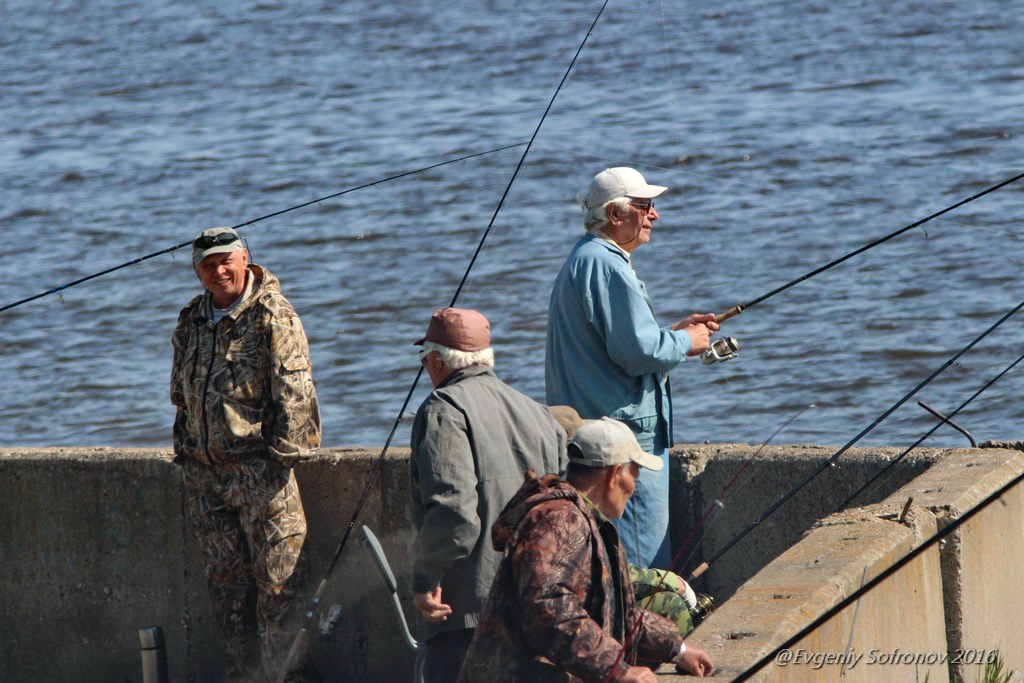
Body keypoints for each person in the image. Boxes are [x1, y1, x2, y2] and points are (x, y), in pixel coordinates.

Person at [545, 166, 718, 569]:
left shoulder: (584, 258)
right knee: (644, 566)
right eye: (645, 206)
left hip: (595, 433)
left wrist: (672, 333)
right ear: (615, 214)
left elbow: (620, 343)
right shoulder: (606, 264)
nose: (654, 215)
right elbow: (637, 351)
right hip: (625, 439)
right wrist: (685, 342)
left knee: (609, 562)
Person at [170, 227, 321, 683]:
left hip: (262, 477)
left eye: (225, 261)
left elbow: (296, 393)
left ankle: (287, 679)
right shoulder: (191, 319)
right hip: (206, 480)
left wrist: (279, 460)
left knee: (280, 591)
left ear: (244, 258)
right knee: (227, 596)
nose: (219, 272)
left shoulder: (272, 314)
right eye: (207, 265)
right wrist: (189, 454)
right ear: (198, 272)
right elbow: (181, 394)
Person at [457, 417, 714, 682]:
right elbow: (548, 609)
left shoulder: (585, 520)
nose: (634, 487)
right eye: (634, 475)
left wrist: (678, 649)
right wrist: (617, 670)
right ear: (615, 474)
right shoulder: (560, 520)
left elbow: (619, 615)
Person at [410, 307, 568, 683]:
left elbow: (456, 515)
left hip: (469, 616)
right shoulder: (540, 414)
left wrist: (425, 580)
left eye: (423, 358)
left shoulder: (443, 409)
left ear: (436, 360)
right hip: (537, 608)